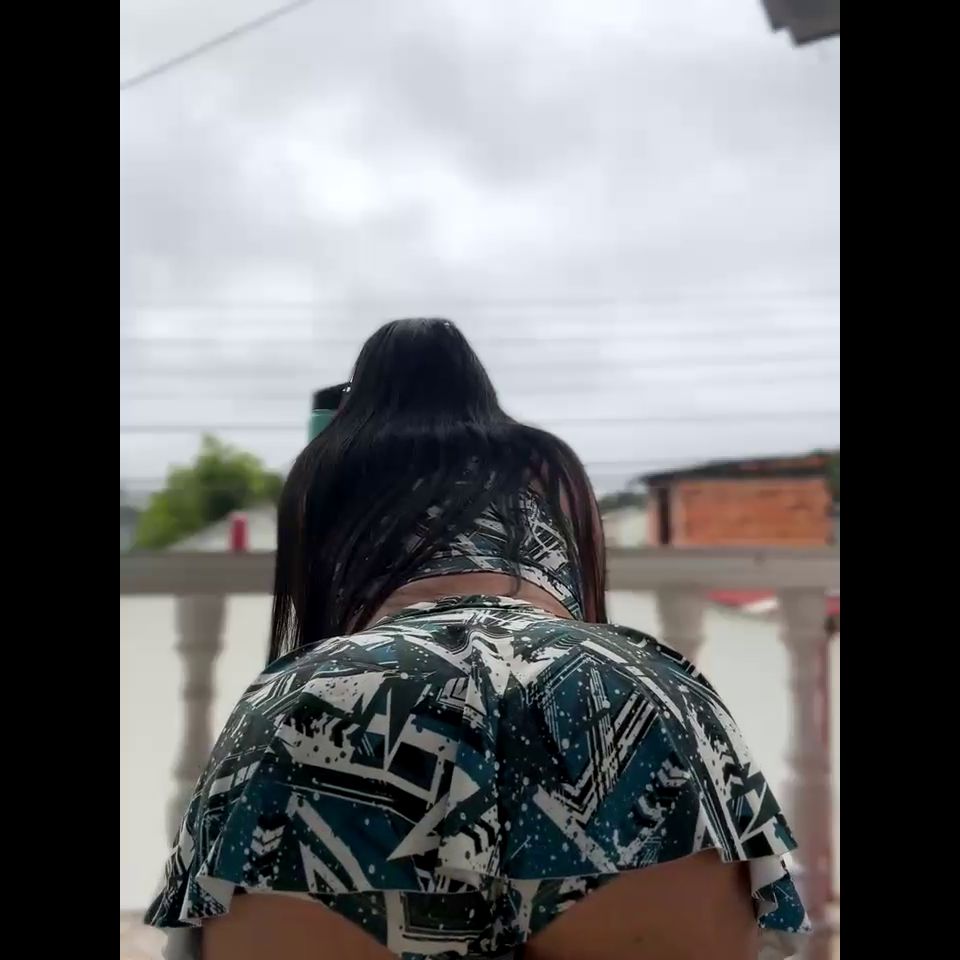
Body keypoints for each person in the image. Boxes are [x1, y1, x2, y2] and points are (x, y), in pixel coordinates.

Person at [146, 319, 808, 960]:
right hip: (595, 689)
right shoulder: (549, 463)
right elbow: (582, 610)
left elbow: (319, 621)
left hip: (358, 700)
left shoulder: (330, 463)